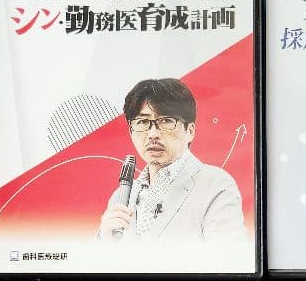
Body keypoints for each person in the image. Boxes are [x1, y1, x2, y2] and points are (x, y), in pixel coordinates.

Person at [98, 78, 246, 243]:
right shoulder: (121, 196)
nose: (153, 134)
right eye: (143, 122)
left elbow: (229, 256)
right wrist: (105, 241)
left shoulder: (216, 185)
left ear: (190, 131)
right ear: (131, 131)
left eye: (166, 121)